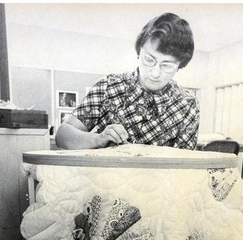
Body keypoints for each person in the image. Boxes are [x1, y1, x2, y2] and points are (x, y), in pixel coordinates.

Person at [56, 12, 199, 150]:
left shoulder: (187, 104)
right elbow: (63, 135)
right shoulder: (108, 86)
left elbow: (184, 165)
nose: (155, 73)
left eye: (167, 65)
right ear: (139, 52)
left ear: (180, 65)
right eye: (149, 59)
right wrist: (97, 139)